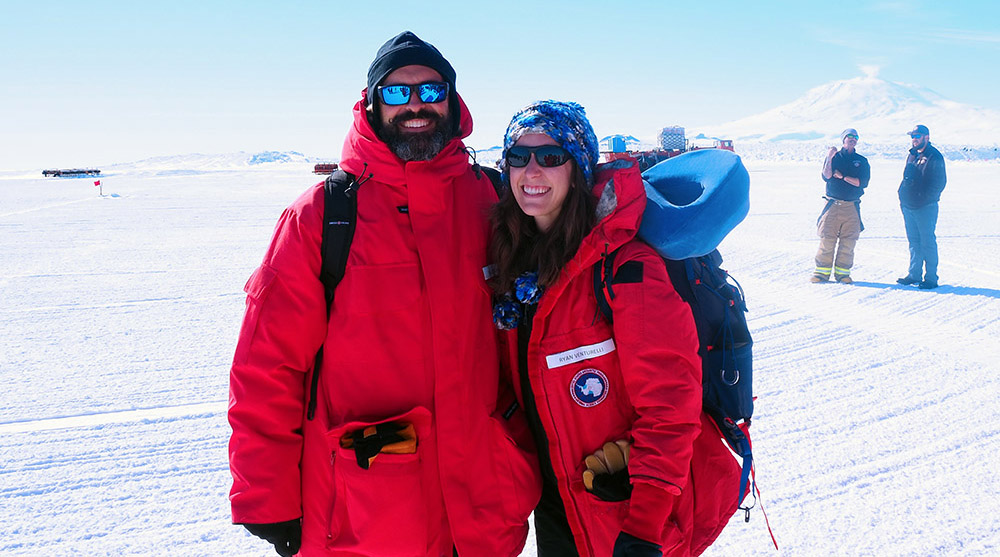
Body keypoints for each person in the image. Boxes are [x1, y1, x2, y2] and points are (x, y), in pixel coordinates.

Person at [227, 31, 540, 557]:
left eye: (431, 90)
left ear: (452, 100)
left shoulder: (493, 200)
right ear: (372, 104)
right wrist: (267, 496)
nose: (416, 105)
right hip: (364, 515)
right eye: (397, 93)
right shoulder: (322, 216)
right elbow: (268, 364)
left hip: (485, 504)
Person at [489, 100, 707, 556]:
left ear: (579, 168)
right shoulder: (516, 262)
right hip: (558, 502)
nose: (532, 170)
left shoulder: (625, 269)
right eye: (518, 156)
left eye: (550, 157)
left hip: (623, 510)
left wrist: (645, 524)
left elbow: (671, 403)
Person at [811, 128, 871, 284]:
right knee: (827, 239)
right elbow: (826, 176)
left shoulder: (862, 161)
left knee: (848, 242)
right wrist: (829, 157)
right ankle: (821, 273)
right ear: (843, 139)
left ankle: (843, 274)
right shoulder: (834, 158)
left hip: (852, 207)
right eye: (849, 136)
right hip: (833, 205)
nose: (852, 139)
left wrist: (843, 177)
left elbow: (862, 183)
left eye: (855, 137)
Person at [896, 124, 947, 289]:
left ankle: (931, 278)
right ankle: (914, 274)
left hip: (925, 207)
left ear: (927, 137)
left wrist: (923, 199)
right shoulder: (911, 155)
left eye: (917, 136)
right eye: (912, 136)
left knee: (927, 242)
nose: (914, 139)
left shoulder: (934, 156)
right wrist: (903, 196)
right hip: (908, 206)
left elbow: (939, 183)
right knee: (914, 241)